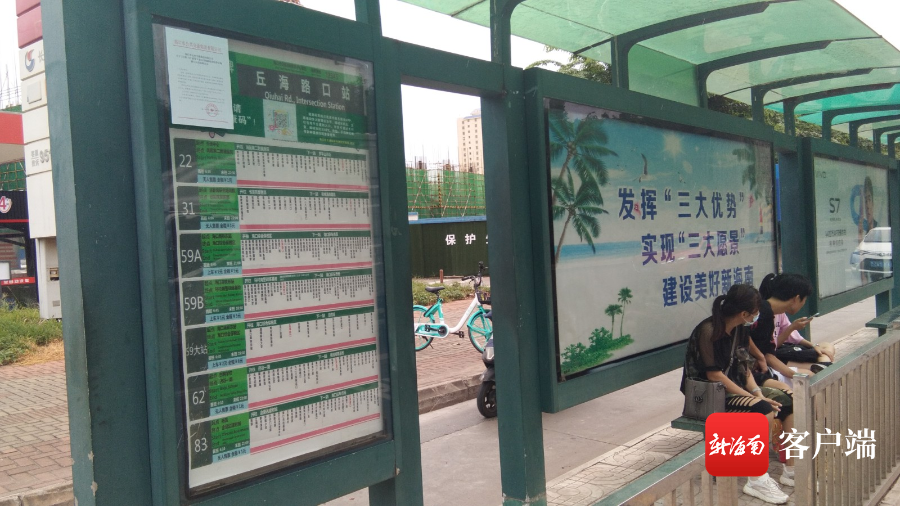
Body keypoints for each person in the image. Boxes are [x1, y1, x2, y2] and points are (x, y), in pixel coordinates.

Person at [681, 284, 795, 504]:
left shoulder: (741, 329)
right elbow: (714, 375)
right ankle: (757, 478)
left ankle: (790, 470)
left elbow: (744, 368)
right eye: (756, 312)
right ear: (744, 313)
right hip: (709, 396)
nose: (757, 316)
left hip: (733, 388)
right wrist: (753, 399)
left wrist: (757, 392)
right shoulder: (708, 331)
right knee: (763, 410)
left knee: (787, 402)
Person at [757, 274, 835, 373]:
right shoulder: (763, 313)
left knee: (826, 347)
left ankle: (823, 366)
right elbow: (767, 354)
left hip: (770, 358)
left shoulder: (774, 311)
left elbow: (767, 350)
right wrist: (794, 375)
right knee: (810, 373)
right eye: (804, 300)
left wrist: (814, 346)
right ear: (796, 298)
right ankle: (823, 367)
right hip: (765, 365)